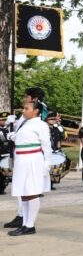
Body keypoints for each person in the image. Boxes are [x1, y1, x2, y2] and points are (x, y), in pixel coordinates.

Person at [7, 98, 51, 236]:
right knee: (24, 192)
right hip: (21, 160)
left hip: (32, 159)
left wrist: (47, 164)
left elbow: (46, 146)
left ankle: (30, 224)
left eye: (27, 109)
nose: (24, 111)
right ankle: (25, 223)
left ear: (36, 110)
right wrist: (12, 134)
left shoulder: (41, 125)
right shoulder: (25, 124)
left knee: (31, 191)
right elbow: (23, 139)